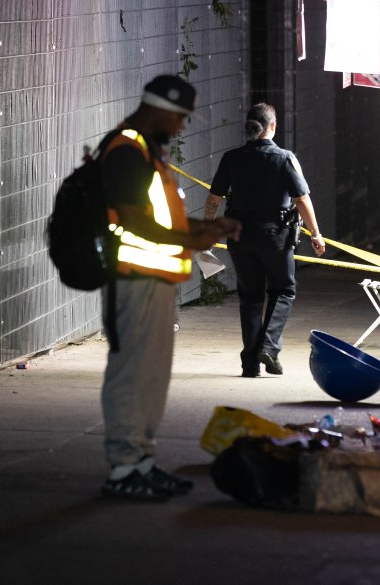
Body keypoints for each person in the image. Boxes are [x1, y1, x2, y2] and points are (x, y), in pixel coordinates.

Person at [99, 75, 240, 500]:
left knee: (151, 376)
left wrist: (206, 228)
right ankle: (124, 471)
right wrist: (191, 240)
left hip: (154, 278)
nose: (181, 126)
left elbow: (163, 222)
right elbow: (133, 220)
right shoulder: (127, 151)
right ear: (159, 108)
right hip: (133, 278)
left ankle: (140, 462)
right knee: (132, 375)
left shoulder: (147, 152)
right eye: (179, 117)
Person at [204, 103, 326, 378]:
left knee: (250, 297)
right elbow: (301, 198)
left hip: (239, 236)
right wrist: (316, 234)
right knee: (283, 290)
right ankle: (269, 347)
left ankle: (250, 364)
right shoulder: (284, 158)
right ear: (273, 126)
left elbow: (214, 198)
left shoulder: (232, 158)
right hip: (276, 237)